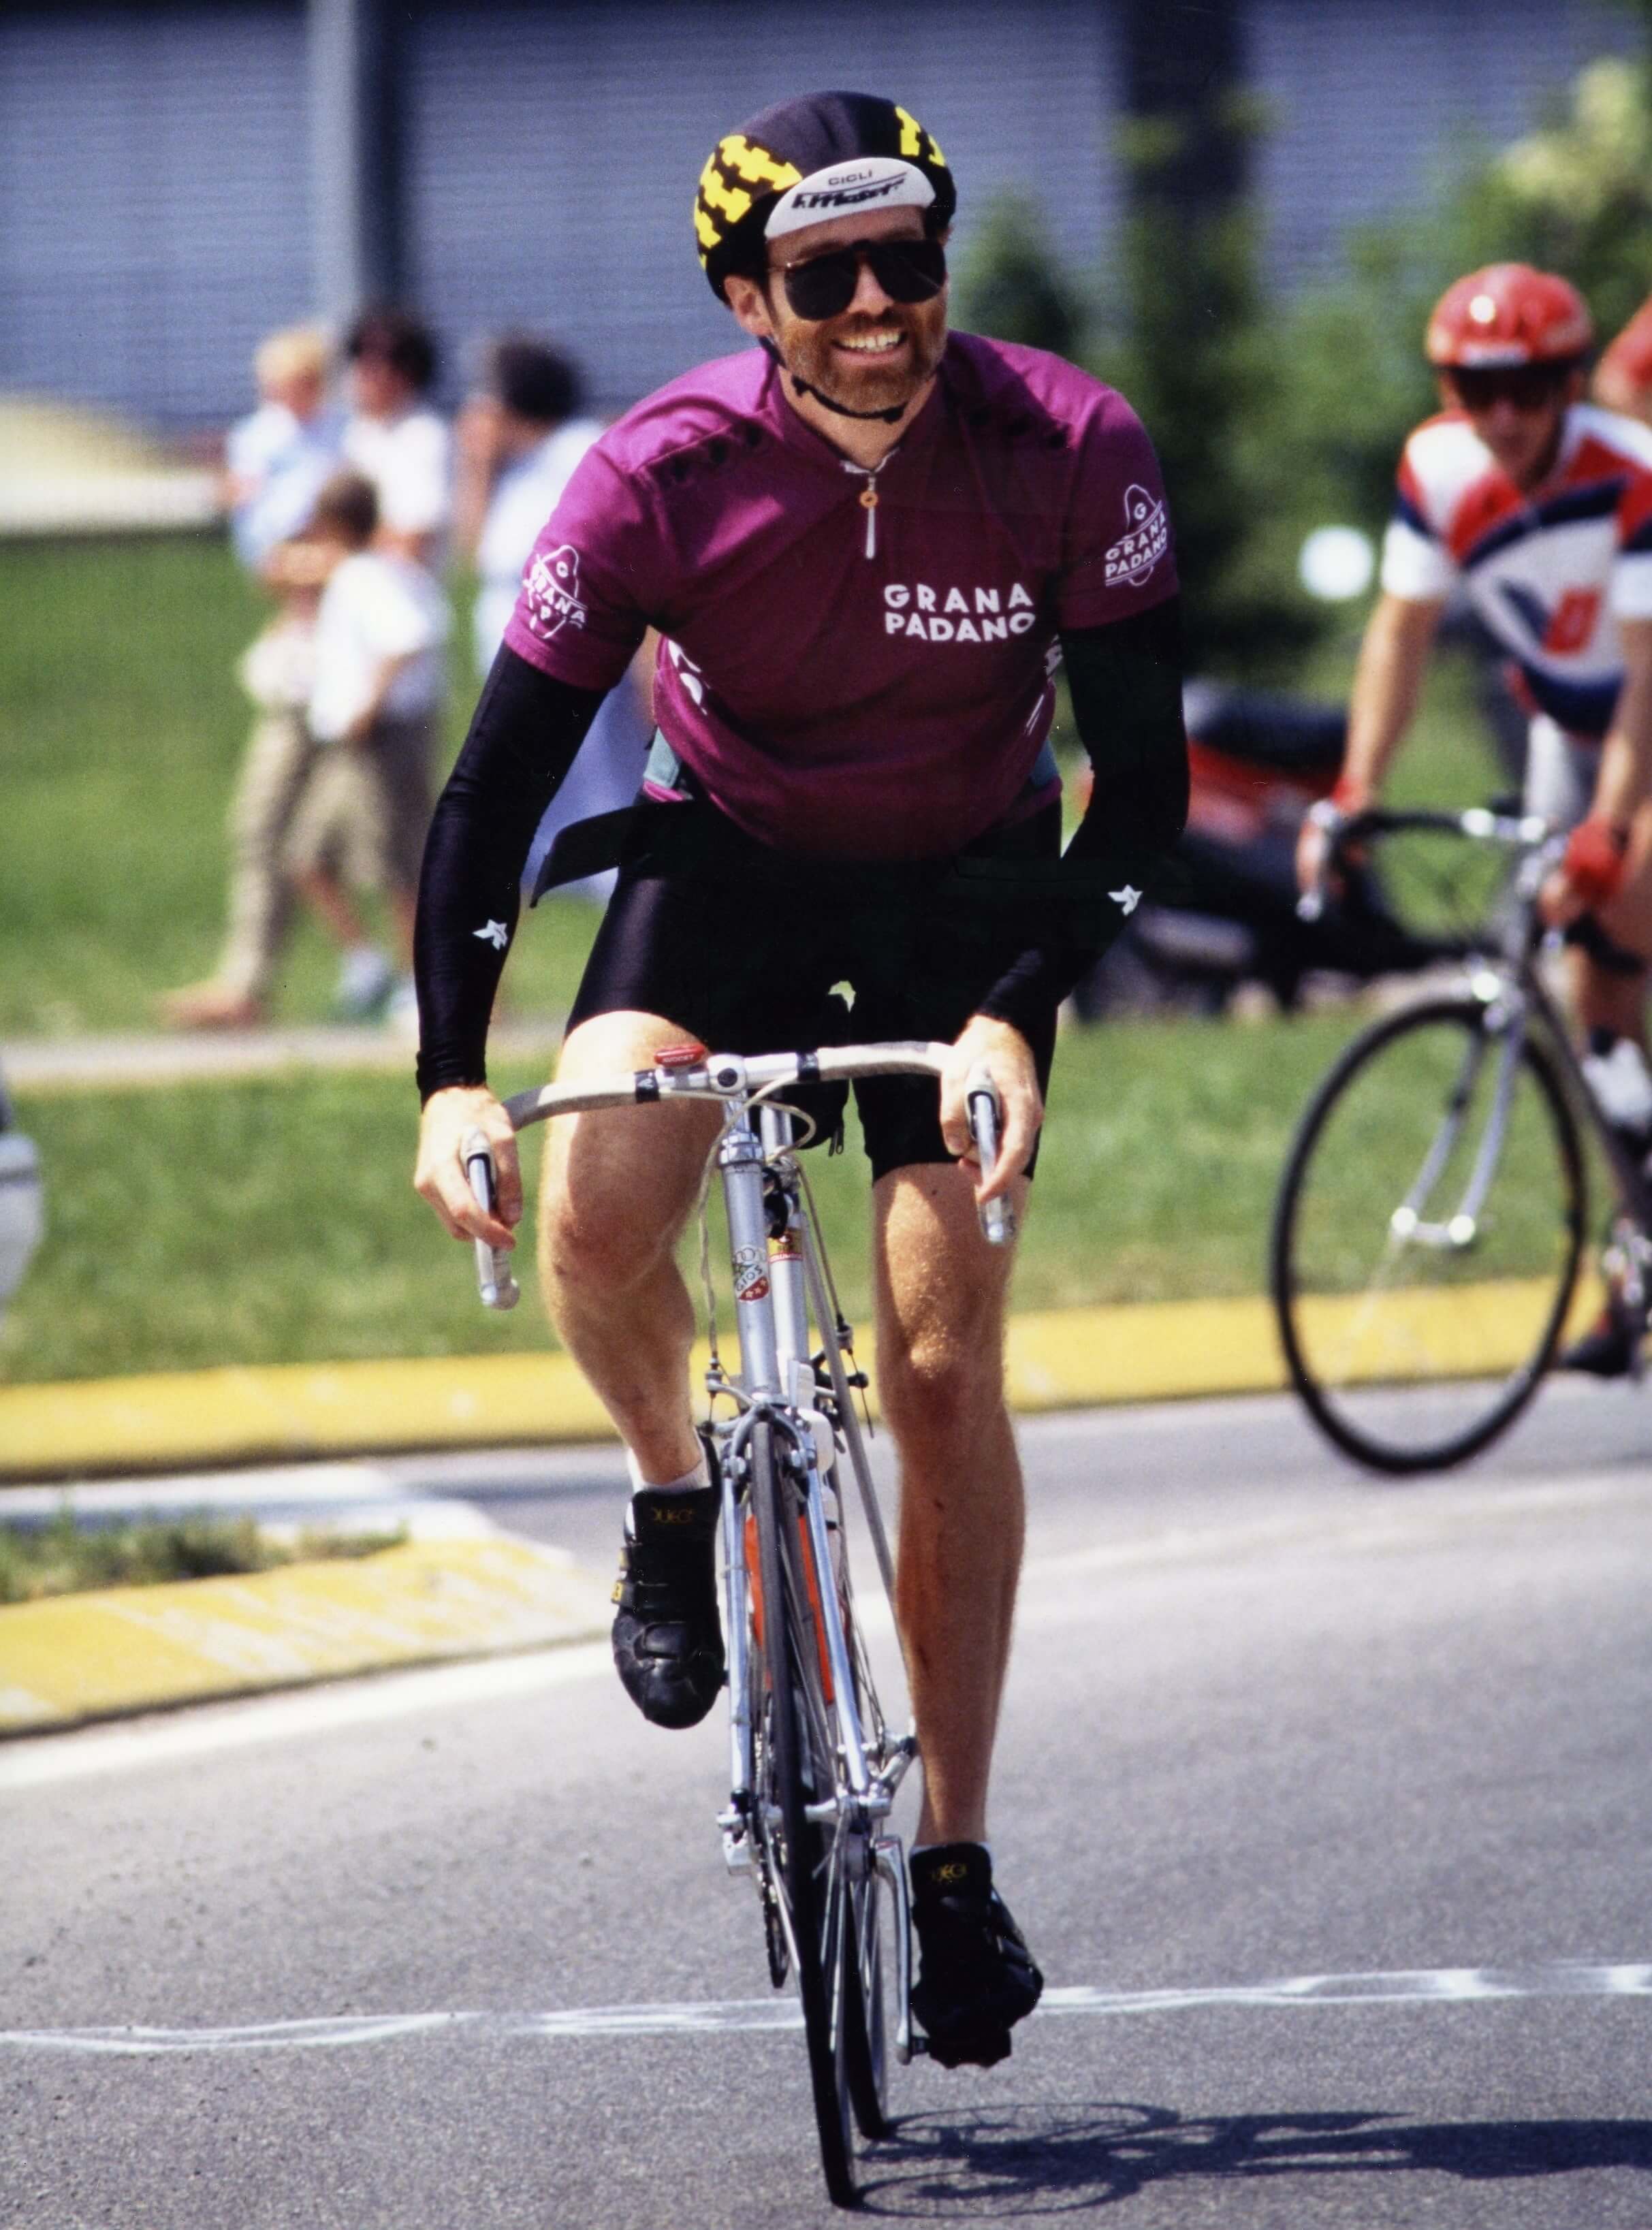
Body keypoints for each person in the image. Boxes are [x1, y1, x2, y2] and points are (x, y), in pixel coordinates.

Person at [411, 91, 1188, 2069]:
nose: (872, 306)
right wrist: (444, 1076)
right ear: (749, 297)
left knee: (939, 1359)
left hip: (972, 897)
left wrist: (1020, 999)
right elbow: (491, 794)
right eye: (822, 276)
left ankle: (950, 1857)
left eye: (904, 261)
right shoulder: (656, 479)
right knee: (594, 1202)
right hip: (727, 867)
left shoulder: (1067, 446)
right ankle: (674, 1489)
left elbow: (1146, 791)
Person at [1298, 261, 1652, 1373]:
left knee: (1616, 908)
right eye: (1476, 386)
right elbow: (1398, 637)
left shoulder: (1632, 471)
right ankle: (1633, 1259)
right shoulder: (1436, 469)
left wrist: (1608, 830)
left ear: (1568, 383)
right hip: (1564, 726)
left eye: (1533, 386)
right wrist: (1356, 790)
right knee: (1592, 993)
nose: (1505, 414)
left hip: (1643, 720)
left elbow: (1648, 676)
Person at [159, 325, 342, 1030]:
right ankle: (247, 980)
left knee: (378, 838)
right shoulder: (263, 443)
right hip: (302, 657)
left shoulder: (340, 440)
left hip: (354, 660)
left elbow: (350, 543)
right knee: (266, 822)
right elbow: (268, 553)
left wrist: (305, 557)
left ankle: (436, 981)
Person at [454, 335, 651, 902]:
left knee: (598, 797)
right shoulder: (511, 468)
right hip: (519, 656)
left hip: (577, 656)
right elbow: (474, 553)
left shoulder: (578, 452)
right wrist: (477, 466)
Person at [283, 470, 449, 1020]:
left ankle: (413, 985)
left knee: (399, 863)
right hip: (348, 745)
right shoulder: (380, 571)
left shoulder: (363, 575)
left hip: (382, 738)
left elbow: (405, 641)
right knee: (309, 854)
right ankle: (367, 965)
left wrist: (367, 706)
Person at [340, 307, 451, 568]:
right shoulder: (358, 432)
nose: (363, 373)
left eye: (376, 363)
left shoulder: (423, 436)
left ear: (409, 372)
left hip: (403, 591)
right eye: (359, 359)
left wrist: (347, 539)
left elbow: (414, 539)